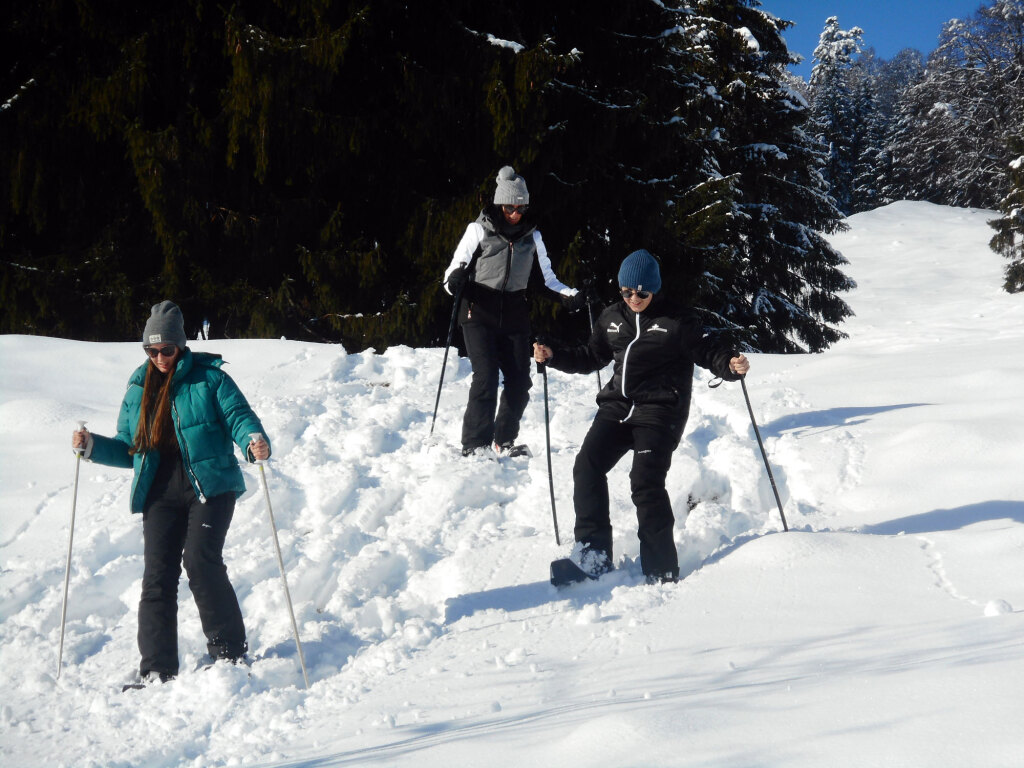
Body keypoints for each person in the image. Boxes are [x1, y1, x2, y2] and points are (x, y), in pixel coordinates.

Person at [71, 300, 271, 684]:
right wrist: (91, 446)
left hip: (210, 486)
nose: (159, 357)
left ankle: (229, 654)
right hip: (160, 491)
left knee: (200, 561)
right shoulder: (138, 387)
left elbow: (240, 418)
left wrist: (253, 442)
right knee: (157, 578)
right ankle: (158, 669)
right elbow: (129, 447)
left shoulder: (211, 378)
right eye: (152, 350)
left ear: (181, 345)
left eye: (166, 349)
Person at [532, 249, 749, 584]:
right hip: (618, 407)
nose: (633, 298)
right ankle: (593, 556)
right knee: (587, 466)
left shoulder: (677, 321)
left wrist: (729, 366)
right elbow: (591, 356)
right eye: (626, 292)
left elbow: (706, 350)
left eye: (641, 293)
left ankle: (661, 568)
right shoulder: (611, 317)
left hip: (661, 411)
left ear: (654, 289)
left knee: (645, 483)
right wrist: (554, 356)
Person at [443, 165, 588, 457]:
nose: (516, 213)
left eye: (521, 207)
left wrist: (572, 296)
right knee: (486, 377)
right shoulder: (478, 229)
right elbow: (450, 276)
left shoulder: (532, 236)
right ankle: (475, 445)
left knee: (520, 380)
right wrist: (456, 280)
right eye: (510, 206)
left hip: (514, 313)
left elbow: (548, 279)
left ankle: (503, 440)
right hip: (478, 311)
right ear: (499, 204)